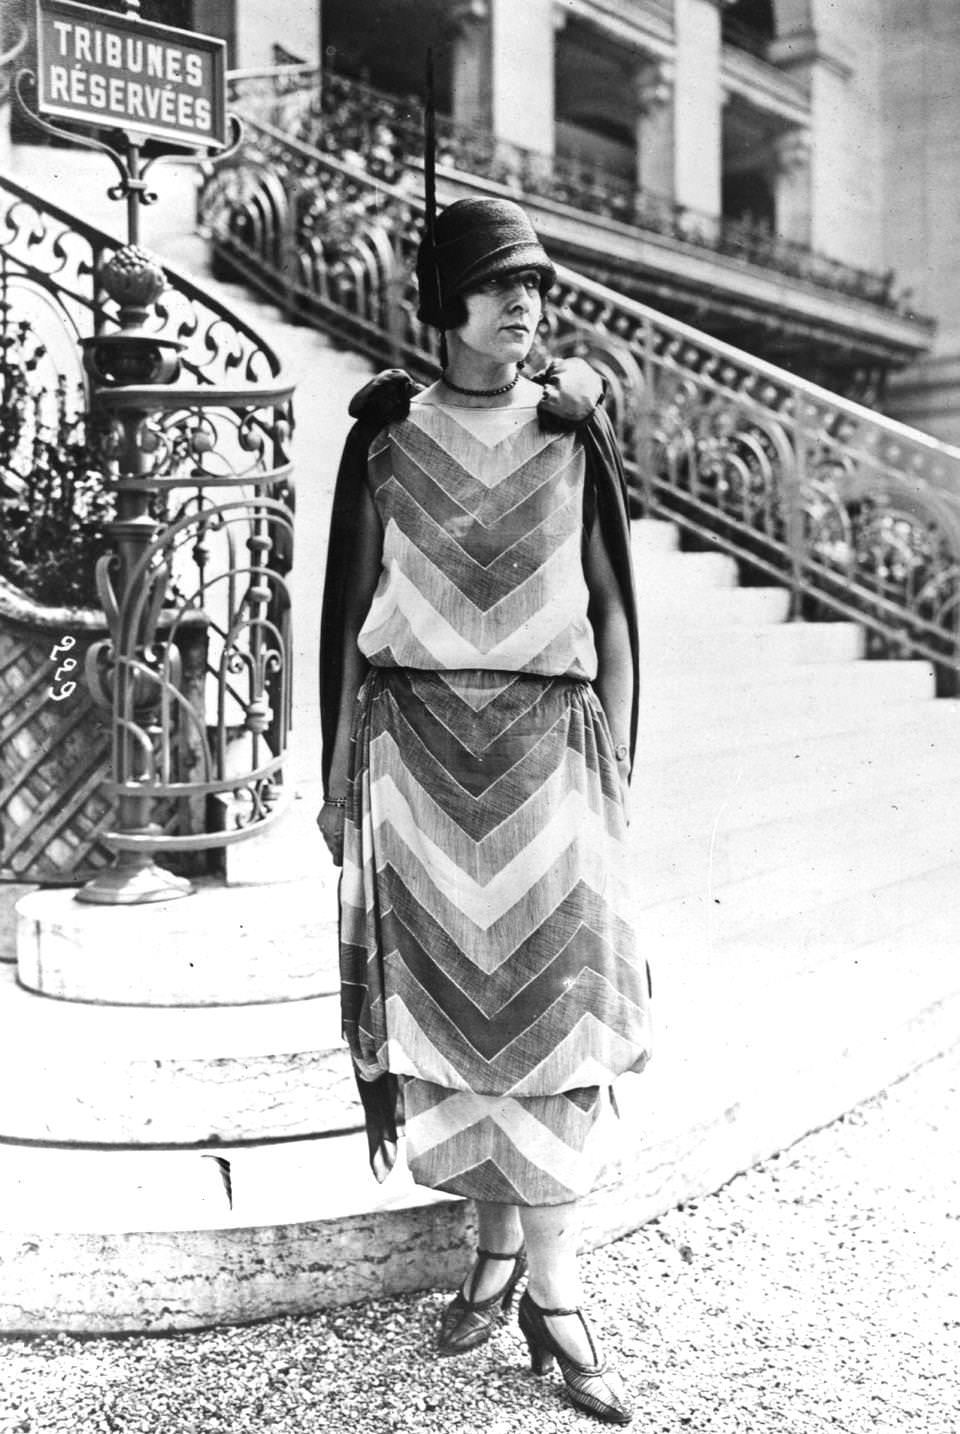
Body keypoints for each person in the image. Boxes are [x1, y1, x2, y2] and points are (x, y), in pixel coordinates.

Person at [318, 196, 652, 1425]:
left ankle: (553, 1296)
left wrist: (612, 757)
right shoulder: (388, 437)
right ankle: (499, 1255)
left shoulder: (572, 430)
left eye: (537, 288)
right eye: (500, 286)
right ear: (442, 303)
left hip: (547, 758)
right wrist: (333, 774)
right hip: (413, 764)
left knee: (557, 1026)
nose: (526, 307)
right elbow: (349, 614)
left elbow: (612, 608)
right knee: (457, 1026)